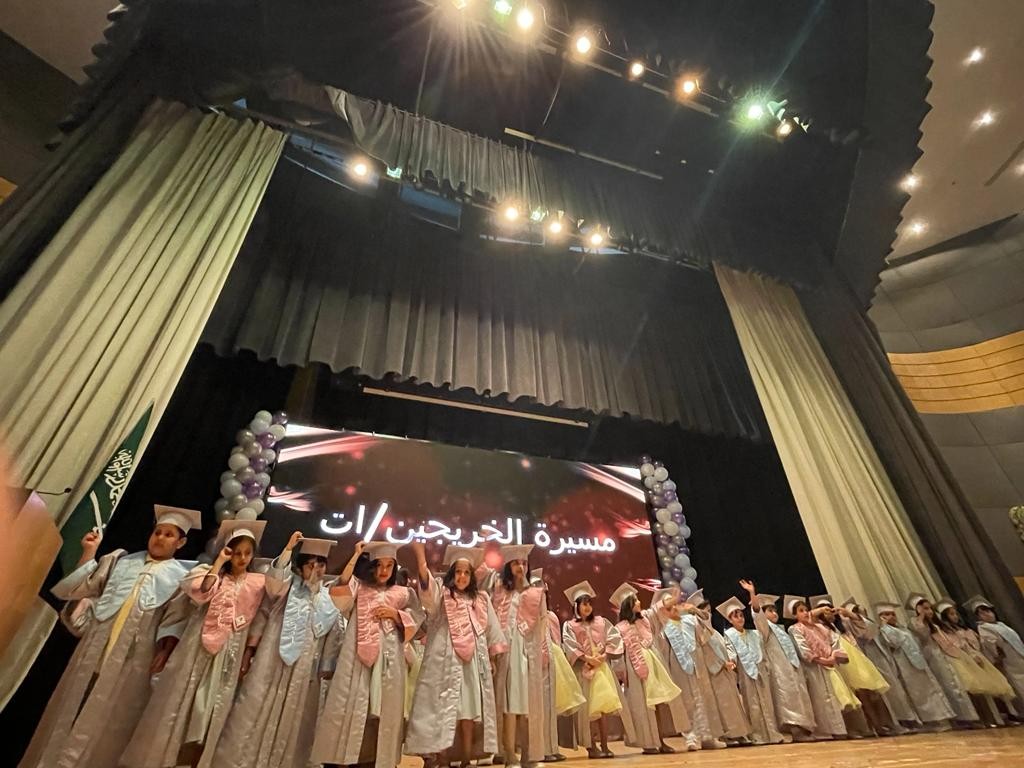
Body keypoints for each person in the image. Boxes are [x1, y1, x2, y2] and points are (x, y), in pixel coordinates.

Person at [19, 505, 200, 768]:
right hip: (96, 648)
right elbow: (82, 589)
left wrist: (165, 649)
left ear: (180, 542)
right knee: (70, 707)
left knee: (107, 721)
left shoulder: (181, 577)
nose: (160, 538)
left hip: (133, 659)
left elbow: (175, 620)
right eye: (158, 532)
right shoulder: (121, 561)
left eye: (169, 535)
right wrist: (89, 551)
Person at [121, 519, 269, 768]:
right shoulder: (207, 573)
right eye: (236, 552)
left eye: (247, 553)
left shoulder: (257, 582)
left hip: (230, 648)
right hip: (197, 644)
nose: (242, 558)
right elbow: (202, 592)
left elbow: (258, 618)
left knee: (212, 706)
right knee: (182, 698)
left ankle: (194, 759)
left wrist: (248, 652)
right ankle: (165, 757)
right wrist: (219, 562)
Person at [213, 534, 345, 768]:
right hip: (272, 658)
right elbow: (274, 580)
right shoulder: (286, 587)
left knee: (294, 715)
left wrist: (324, 668)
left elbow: (330, 634)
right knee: (255, 704)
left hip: (303, 667)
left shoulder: (325, 598)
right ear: (300, 567)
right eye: (310, 564)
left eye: (321, 565)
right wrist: (288, 548)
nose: (315, 570)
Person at [312, 541, 419, 768]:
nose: (384, 570)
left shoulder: (403, 593)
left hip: (389, 660)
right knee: (353, 706)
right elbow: (341, 586)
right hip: (357, 659)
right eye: (379, 565)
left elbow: (418, 619)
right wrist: (355, 554)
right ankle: (345, 758)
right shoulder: (359, 589)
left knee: (381, 710)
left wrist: (396, 614)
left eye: (389, 566)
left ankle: (375, 759)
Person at [405, 544, 506, 768]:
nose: (462, 577)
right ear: (452, 574)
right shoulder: (442, 596)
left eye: (466, 572)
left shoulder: (480, 599)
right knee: (442, 708)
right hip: (444, 661)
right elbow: (427, 592)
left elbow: (492, 629)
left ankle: (467, 757)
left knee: (468, 710)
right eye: (458, 572)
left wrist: (492, 658)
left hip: (472, 663)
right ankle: (441, 757)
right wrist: (420, 556)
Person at [481, 544, 548, 768]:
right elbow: (491, 622)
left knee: (528, 705)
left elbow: (541, 624)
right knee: (508, 704)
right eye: (516, 563)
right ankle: (509, 752)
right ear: (508, 566)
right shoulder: (499, 589)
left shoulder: (536, 593)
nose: (521, 567)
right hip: (506, 653)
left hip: (527, 653)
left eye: (524, 563)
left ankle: (529, 751)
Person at [612, 583, 688, 755]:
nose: (639, 602)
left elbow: (657, 609)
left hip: (653, 664)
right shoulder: (620, 628)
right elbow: (618, 654)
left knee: (658, 703)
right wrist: (622, 675)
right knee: (643, 706)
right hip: (635, 670)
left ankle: (660, 741)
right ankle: (648, 742)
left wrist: (673, 599)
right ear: (629, 605)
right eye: (635, 600)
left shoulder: (645, 619)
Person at [560, 581, 634, 758]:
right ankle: (591, 746)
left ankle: (605, 744)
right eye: (583, 603)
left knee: (603, 710)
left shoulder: (601, 622)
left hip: (601, 669)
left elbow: (614, 639)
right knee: (589, 710)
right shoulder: (570, 626)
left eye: (589, 603)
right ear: (576, 606)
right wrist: (587, 658)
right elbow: (569, 645)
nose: (587, 607)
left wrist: (603, 655)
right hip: (584, 670)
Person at [739, 581, 816, 742]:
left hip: (792, 669)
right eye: (770, 611)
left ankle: (804, 728)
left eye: (775, 610)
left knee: (799, 697)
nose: (774, 613)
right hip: (779, 671)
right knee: (787, 700)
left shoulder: (780, 629)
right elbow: (757, 613)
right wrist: (752, 593)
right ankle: (795, 730)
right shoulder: (765, 628)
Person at [649, 588, 723, 750]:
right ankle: (691, 737)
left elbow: (707, 627)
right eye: (668, 608)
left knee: (704, 699)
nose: (673, 609)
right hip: (678, 667)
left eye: (674, 605)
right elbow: (661, 649)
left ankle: (708, 737)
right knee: (686, 702)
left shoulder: (690, 620)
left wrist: (695, 610)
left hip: (698, 664)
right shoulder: (663, 628)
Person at [811, 595, 894, 737]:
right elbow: (810, 617)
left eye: (831, 610)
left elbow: (866, 628)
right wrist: (820, 610)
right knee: (859, 696)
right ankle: (869, 727)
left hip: (857, 661)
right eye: (825, 611)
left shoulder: (843, 627)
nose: (829, 613)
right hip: (842, 664)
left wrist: (847, 613)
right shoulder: (819, 628)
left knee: (872, 692)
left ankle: (884, 725)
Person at [874, 601, 955, 732]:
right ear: (881, 617)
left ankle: (941, 720)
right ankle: (929, 721)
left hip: (918, 662)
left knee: (930, 690)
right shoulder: (884, 631)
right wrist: (884, 626)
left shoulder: (903, 628)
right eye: (887, 614)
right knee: (918, 694)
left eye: (893, 614)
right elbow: (894, 642)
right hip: (905, 665)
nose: (891, 617)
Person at [840, 598, 919, 733]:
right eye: (856, 612)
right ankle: (891, 723)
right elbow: (866, 631)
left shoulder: (871, 625)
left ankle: (904, 721)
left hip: (884, 662)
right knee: (884, 696)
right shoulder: (851, 628)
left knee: (895, 692)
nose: (859, 615)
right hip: (870, 664)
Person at [531, 569, 583, 762]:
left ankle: (552, 747)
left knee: (551, 707)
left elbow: (557, 640)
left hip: (553, 662)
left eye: (542, 591)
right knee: (539, 709)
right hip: (535, 664)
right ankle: (541, 749)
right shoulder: (528, 616)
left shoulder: (551, 616)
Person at [907, 593, 981, 727]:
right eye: (925, 608)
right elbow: (922, 633)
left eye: (930, 608)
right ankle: (956, 718)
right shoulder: (914, 622)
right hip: (931, 657)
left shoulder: (935, 626)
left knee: (955, 685)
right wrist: (921, 616)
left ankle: (966, 717)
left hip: (944, 655)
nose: (929, 611)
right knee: (946, 686)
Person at [716, 595, 782, 745]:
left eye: (741, 615)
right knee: (753, 705)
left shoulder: (754, 634)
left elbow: (762, 652)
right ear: (730, 620)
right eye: (735, 616)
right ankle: (757, 734)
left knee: (767, 702)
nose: (740, 618)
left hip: (761, 672)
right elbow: (731, 651)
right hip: (745, 674)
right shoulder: (729, 635)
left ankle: (772, 733)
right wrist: (731, 662)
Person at [937, 599, 1015, 724]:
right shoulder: (947, 632)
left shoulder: (964, 629)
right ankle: (989, 718)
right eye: (951, 614)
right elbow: (957, 646)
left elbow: (975, 643)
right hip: (966, 659)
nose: (955, 616)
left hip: (977, 657)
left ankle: (1003, 716)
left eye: (956, 613)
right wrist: (969, 650)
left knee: (993, 686)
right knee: (980, 690)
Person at [785, 595, 850, 740]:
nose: (805, 613)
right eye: (801, 611)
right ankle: (824, 730)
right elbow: (803, 649)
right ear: (794, 615)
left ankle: (838, 729)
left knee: (833, 696)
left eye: (806, 610)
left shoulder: (818, 627)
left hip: (829, 664)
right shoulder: (795, 629)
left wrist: (833, 656)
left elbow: (834, 640)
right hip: (813, 667)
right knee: (819, 697)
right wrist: (821, 660)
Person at [692, 592, 752, 744]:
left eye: (709, 610)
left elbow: (724, 649)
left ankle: (740, 733)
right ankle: (729, 734)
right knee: (723, 704)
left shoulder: (714, 632)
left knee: (733, 703)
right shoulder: (699, 633)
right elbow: (706, 654)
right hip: (715, 674)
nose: (708, 614)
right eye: (704, 610)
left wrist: (730, 660)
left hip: (725, 672)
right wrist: (721, 664)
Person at [968, 595, 1024, 708]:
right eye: (982, 613)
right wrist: (998, 654)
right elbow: (991, 645)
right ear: (978, 617)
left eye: (988, 611)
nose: (987, 614)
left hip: (1019, 655)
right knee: (1019, 683)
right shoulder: (984, 627)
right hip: (1009, 660)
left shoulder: (1000, 624)